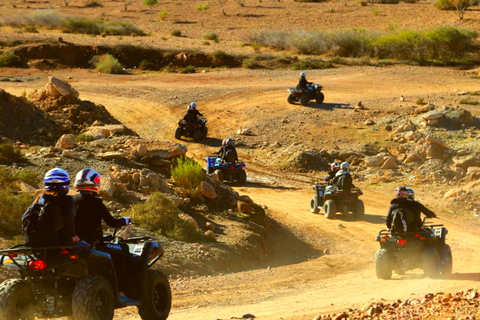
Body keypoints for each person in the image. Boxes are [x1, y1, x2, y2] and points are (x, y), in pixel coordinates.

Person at [72, 168, 133, 302]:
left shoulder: (70, 201)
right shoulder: (96, 203)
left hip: (73, 244)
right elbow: (111, 222)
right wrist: (125, 220)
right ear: (95, 184)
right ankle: (120, 293)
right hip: (92, 244)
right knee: (120, 258)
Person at [22, 168, 79, 247]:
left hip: (34, 243)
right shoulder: (67, 200)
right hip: (57, 242)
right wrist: (73, 235)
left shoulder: (39, 198)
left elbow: (24, 217)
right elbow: (68, 217)